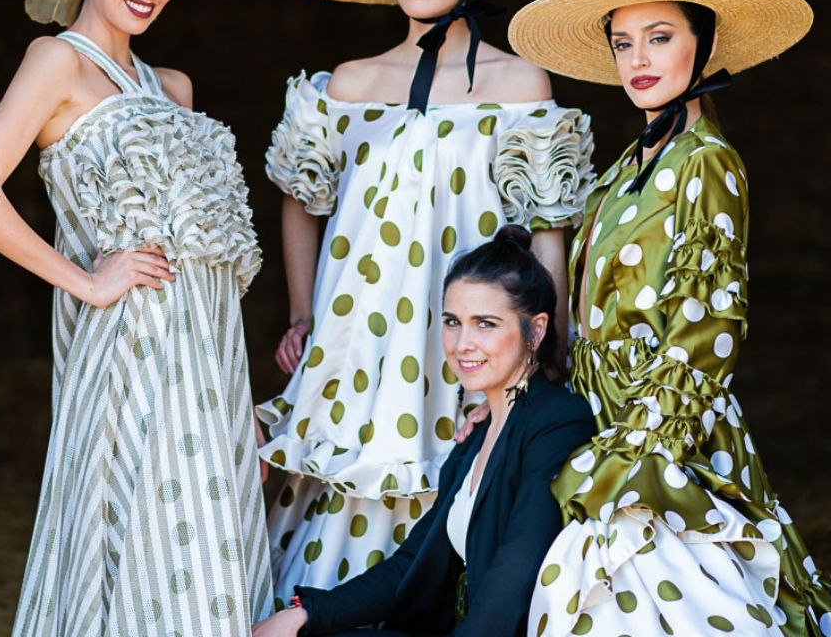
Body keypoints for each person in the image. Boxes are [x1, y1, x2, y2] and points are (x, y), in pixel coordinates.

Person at [0, 0, 272, 636]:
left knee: (204, 546)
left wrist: (239, 391)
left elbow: (204, 247)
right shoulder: (56, 62)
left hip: (207, 355)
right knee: (131, 545)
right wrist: (88, 282)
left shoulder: (175, 87)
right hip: (126, 348)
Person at [506, 0, 831, 636]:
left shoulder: (706, 159)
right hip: (599, 411)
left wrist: (643, 451)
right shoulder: (629, 163)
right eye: (623, 42)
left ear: (702, 45)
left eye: (660, 37)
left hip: (667, 423)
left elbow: (709, 326)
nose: (638, 59)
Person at [258, 0, 596, 600]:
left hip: (470, 342)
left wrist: (546, 337)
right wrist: (301, 314)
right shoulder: (348, 84)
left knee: (463, 465)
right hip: (361, 342)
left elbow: (547, 225)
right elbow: (300, 198)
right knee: (356, 470)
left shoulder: (519, 82)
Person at [251, 225, 596, 637]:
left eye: (485, 324)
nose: (462, 343)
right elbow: (411, 563)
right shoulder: (477, 435)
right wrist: (306, 614)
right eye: (453, 322)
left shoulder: (557, 421)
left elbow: (515, 577)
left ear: (535, 330)